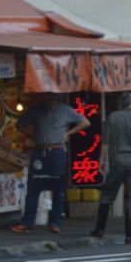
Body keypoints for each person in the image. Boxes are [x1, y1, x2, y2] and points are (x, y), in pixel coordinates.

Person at [10, 94, 89, 234]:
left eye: (53, 94)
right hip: (40, 151)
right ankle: (27, 222)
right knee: (33, 187)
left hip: (57, 151)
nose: (50, 96)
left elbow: (85, 122)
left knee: (58, 189)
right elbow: (19, 124)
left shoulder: (65, 110)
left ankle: (54, 222)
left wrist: (69, 133)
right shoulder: (36, 110)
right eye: (47, 94)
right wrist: (31, 134)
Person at [89, 92, 131, 244]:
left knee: (107, 194)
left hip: (117, 162)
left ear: (121, 104)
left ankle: (99, 229)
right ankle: (130, 235)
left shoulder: (113, 118)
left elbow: (105, 142)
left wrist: (101, 160)